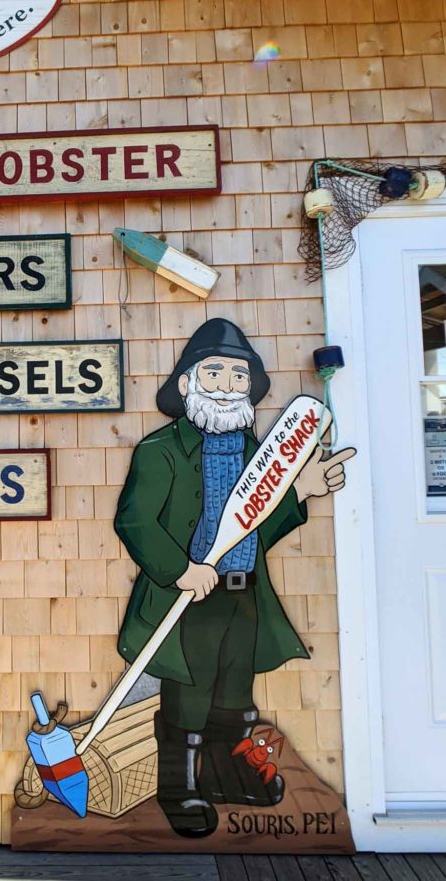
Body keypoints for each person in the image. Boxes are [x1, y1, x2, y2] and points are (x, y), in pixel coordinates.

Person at [114, 319, 354, 838]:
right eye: (214, 371)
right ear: (186, 383)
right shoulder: (160, 452)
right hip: (190, 599)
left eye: (238, 376)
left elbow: (259, 527)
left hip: (244, 594)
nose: (226, 385)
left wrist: (301, 491)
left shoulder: (255, 455)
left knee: (234, 690)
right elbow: (134, 521)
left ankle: (230, 777)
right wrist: (181, 571)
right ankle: (181, 788)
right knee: (190, 693)